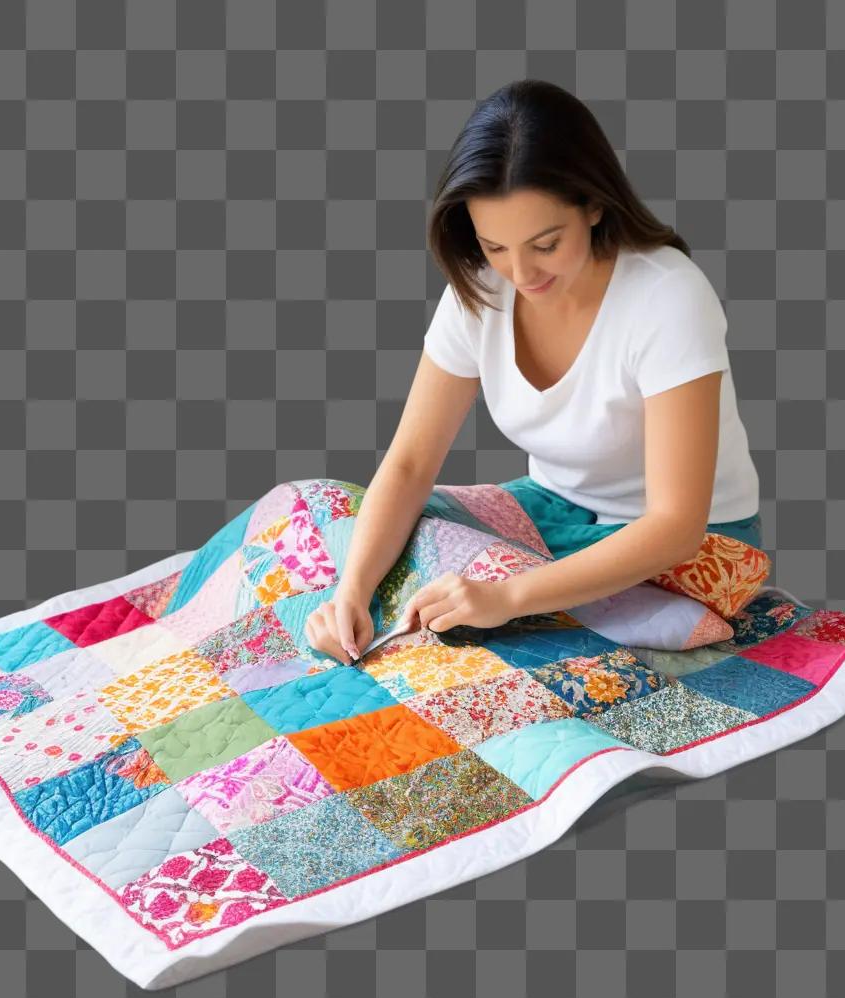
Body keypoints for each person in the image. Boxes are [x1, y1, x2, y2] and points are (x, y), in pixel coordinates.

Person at [304, 79, 762, 668]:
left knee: (463, 589)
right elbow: (411, 464)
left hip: (691, 549)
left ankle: (610, 610)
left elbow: (676, 526)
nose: (520, 272)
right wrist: (352, 591)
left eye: (546, 244)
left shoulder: (668, 296)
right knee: (344, 516)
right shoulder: (481, 289)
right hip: (554, 514)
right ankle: (608, 615)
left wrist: (507, 595)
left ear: (594, 205)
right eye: (494, 246)